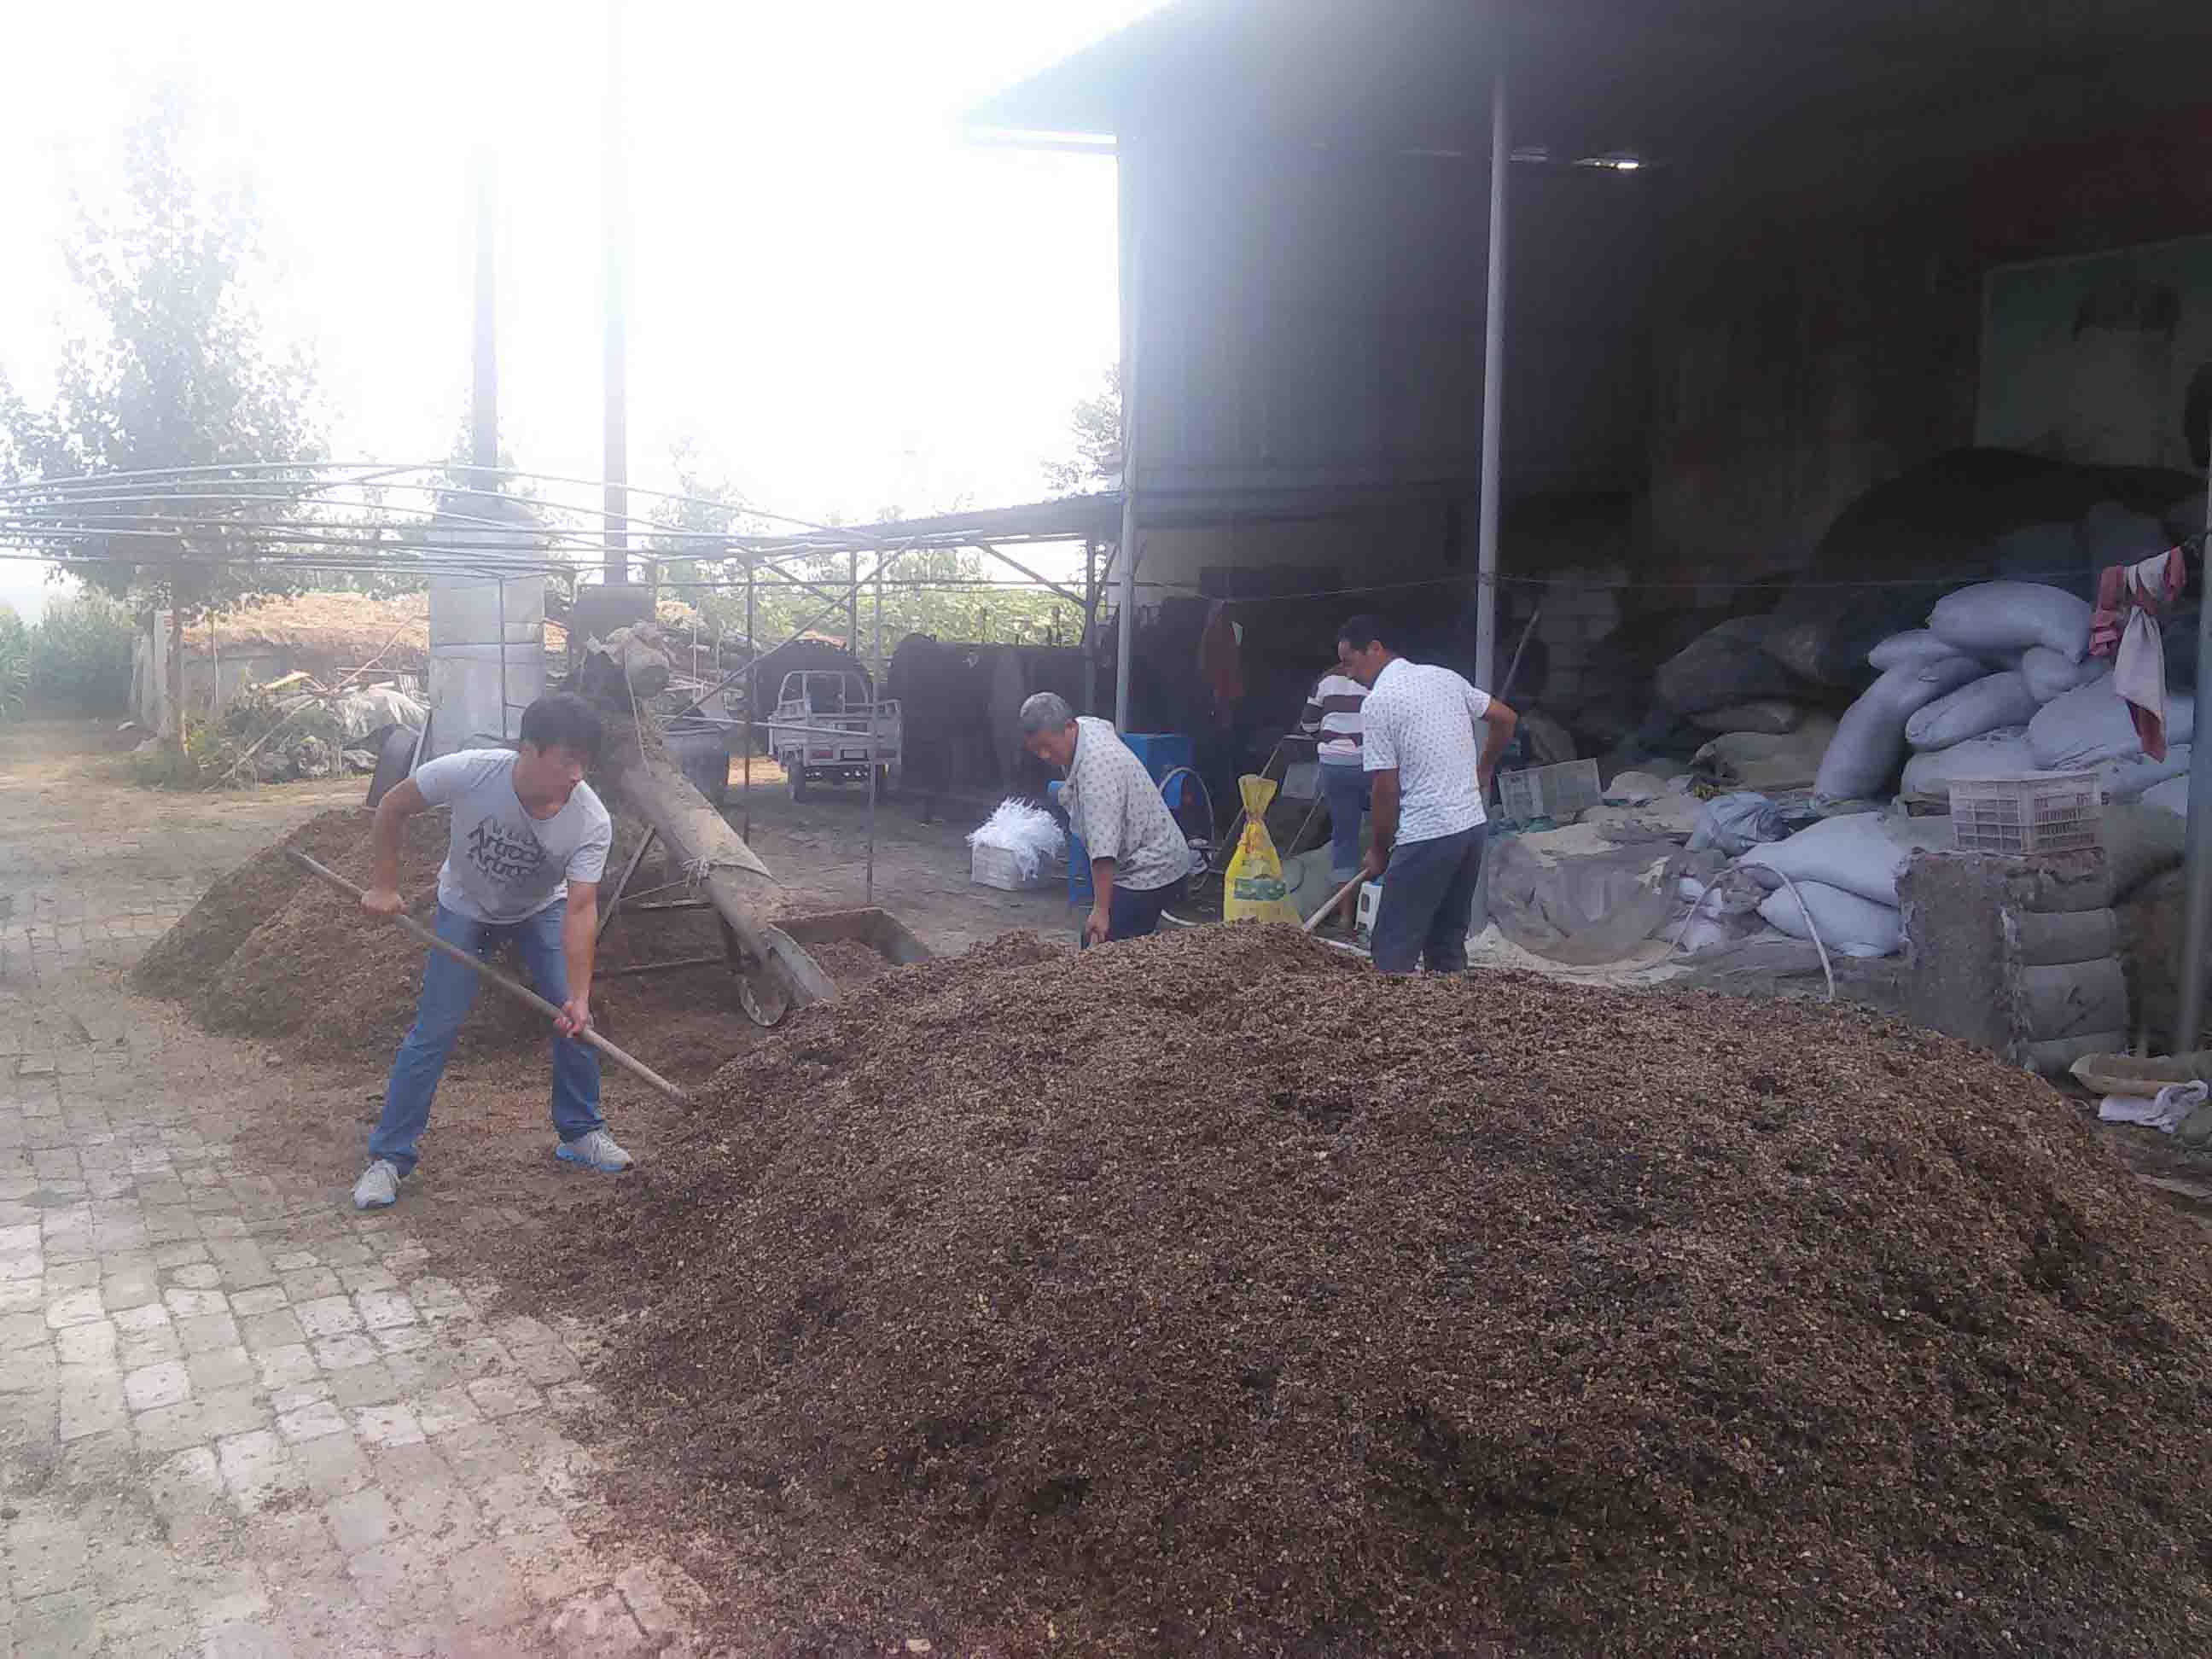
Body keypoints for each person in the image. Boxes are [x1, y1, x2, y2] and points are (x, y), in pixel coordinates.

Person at [351, 693, 632, 1210]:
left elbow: (580, 908)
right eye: (567, 759)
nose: (578, 774)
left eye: (585, 761)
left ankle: (581, 1133)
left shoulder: (589, 820)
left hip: (540, 911)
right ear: (529, 749)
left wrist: (580, 994)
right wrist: (385, 886)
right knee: (434, 1029)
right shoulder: (472, 773)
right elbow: (392, 806)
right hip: (465, 906)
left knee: (574, 1021)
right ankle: (388, 1158)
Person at [1337, 614, 1518, 975]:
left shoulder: (1379, 703)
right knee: (1447, 945)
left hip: (1428, 833)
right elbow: (1506, 719)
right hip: (1470, 829)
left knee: (1392, 949)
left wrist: (1378, 849)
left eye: (1349, 662)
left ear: (1375, 649)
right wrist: (1485, 768)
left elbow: (1384, 789)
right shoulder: (1444, 677)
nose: (1348, 674)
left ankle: (1389, 1024)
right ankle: (1451, 1023)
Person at [1019, 691, 1192, 946]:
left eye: (1047, 746)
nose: (1044, 756)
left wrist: (1101, 911)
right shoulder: (1084, 728)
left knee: (1105, 946)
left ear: (1069, 727)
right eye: (1036, 750)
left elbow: (1103, 853)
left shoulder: (1097, 775)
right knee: (1105, 941)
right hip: (1149, 850)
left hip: (1151, 864)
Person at [1298, 657, 1371, 932]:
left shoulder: (1325, 681)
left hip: (1334, 765)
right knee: (1390, 831)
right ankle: (1379, 903)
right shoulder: (1378, 682)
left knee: (1344, 837)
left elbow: (1308, 726)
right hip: (1370, 762)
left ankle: (1345, 917)